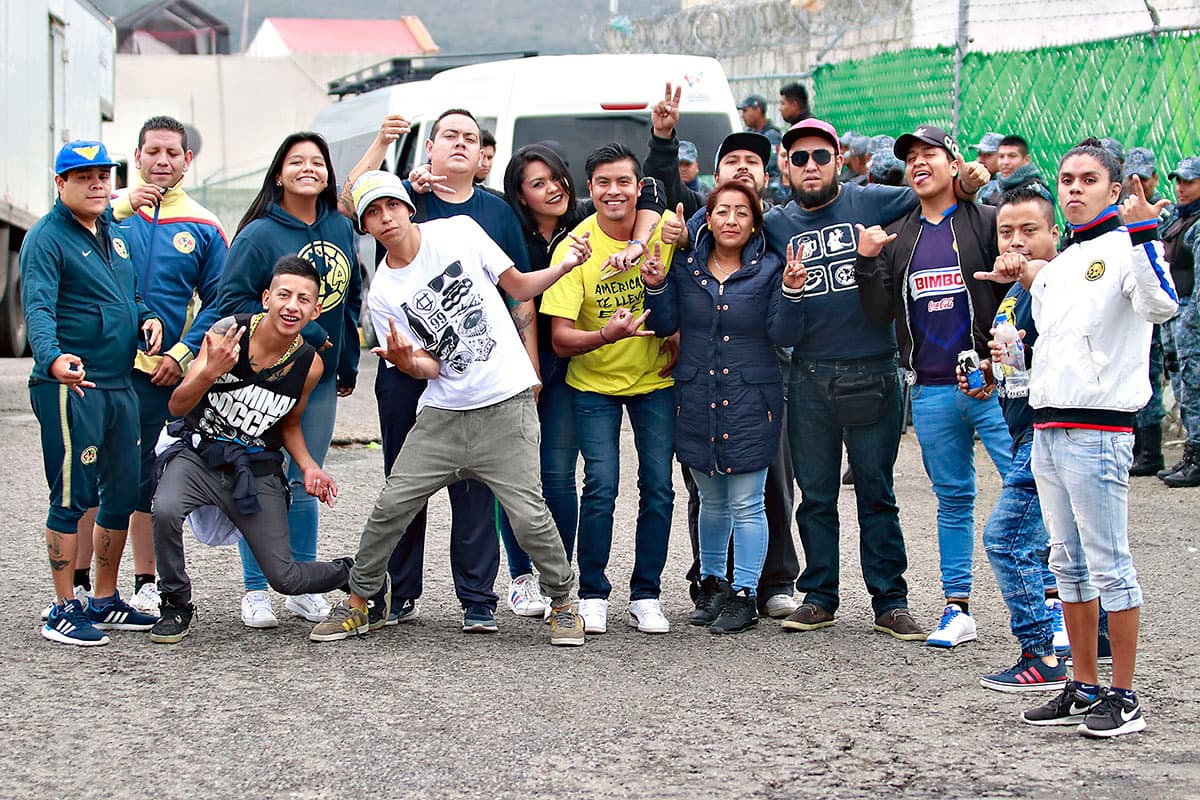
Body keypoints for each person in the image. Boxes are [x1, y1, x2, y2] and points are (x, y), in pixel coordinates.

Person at [309, 170, 589, 646]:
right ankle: (359, 604)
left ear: (407, 207)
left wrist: (562, 268)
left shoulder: (459, 231)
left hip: (506, 401)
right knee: (391, 505)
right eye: (373, 214)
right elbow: (431, 367)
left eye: (391, 206)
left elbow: (519, 287)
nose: (385, 218)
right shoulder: (383, 293)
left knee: (528, 513)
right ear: (367, 228)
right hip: (443, 414)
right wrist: (405, 360)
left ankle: (564, 603)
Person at [766, 118, 989, 641]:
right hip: (808, 373)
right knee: (815, 495)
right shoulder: (774, 222)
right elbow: (718, 217)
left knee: (876, 491)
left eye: (821, 156)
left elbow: (929, 192)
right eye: (799, 158)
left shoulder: (872, 201)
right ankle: (819, 596)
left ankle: (890, 600)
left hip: (873, 368)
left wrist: (966, 182)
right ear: (786, 165)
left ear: (839, 159)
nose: (811, 166)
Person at [991, 139, 1176, 737]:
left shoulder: (1127, 248)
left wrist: (1146, 234)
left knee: (1109, 564)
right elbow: (1041, 348)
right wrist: (1008, 358)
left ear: (1115, 189)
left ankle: (1124, 697)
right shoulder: (1065, 261)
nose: (1074, 188)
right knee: (1065, 563)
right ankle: (1084, 683)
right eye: (1067, 178)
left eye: (1089, 179)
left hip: (1099, 428)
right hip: (1047, 425)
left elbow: (1162, 306)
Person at [341, 111, 550, 632]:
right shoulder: (411, 195)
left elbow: (517, 292)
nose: (460, 144)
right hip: (407, 374)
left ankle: (477, 598)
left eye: (471, 138)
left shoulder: (491, 213)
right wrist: (384, 144)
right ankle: (400, 593)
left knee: (478, 490)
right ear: (428, 147)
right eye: (449, 136)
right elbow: (353, 198)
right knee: (404, 487)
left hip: (485, 376)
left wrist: (531, 364)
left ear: (484, 155)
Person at [644, 85, 802, 618]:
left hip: (759, 385)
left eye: (750, 163)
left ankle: (759, 587)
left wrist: (794, 290)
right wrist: (664, 139)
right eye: (729, 162)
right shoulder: (689, 252)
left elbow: (786, 327)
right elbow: (664, 195)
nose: (730, 216)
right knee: (711, 497)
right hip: (701, 387)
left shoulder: (779, 238)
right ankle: (711, 583)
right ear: (708, 210)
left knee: (760, 495)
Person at [855, 125, 1013, 647]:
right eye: (912, 158)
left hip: (995, 385)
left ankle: (1055, 602)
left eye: (931, 155)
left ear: (955, 163)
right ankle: (957, 606)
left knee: (1031, 489)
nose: (919, 164)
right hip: (932, 390)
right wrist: (867, 263)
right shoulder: (901, 233)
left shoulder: (986, 221)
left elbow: (1021, 288)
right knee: (953, 499)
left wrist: (999, 364)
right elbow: (879, 314)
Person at [496, 144, 666, 617]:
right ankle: (540, 580)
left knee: (624, 483)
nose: (550, 188)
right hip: (542, 368)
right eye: (536, 183)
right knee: (538, 478)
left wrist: (674, 336)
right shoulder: (531, 235)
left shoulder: (623, 224)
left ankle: (605, 586)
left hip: (611, 374)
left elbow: (657, 189)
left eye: (555, 178)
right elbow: (531, 311)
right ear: (520, 193)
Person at [149, 258, 357, 643]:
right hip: (199, 453)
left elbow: (288, 423)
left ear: (315, 310)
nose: (292, 305)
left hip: (254, 467)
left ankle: (351, 572)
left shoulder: (308, 365)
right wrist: (211, 370)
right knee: (164, 510)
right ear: (266, 298)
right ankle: (175, 602)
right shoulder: (229, 332)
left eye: (303, 299)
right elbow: (178, 405)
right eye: (284, 295)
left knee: (286, 578)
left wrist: (309, 466)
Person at [217, 132, 361, 628]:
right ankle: (257, 589)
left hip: (317, 378)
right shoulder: (258, 234)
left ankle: (302, 586)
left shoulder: (342, 226)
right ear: (278, 173)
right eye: (296, 161)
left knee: (305, 479)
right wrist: (312, 329)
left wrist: (347, 361)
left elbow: (351, 296)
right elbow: (230, 303)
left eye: (317, 161)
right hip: (265, 377)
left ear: (327, 174)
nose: (308, 168)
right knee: (259, 478)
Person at [23, 140, 164, 645]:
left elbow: (129, 295)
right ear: (60, 184)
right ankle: (64, 608)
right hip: (72, 387)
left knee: (123, 492)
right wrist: (51, 357)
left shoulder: (115, 233)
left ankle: (104, 601)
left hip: (120, 384)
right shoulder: (46, 238)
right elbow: (37, 306)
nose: (98, 184)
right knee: (70, 495)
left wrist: (146, 318)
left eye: (104, 175)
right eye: (84, 177)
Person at [540, 143, 680, 635]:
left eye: (624, 182)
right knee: (601, 485)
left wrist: (678, 334)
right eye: (603, 183)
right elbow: (559, 340)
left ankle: (646, 594)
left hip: (654, 381)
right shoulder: (575, 248)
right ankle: (593, 592)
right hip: (593, 382)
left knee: (659, 487)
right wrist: (607, 334)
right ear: (590, 190)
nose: (613, 191)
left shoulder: (662, 234)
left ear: (639, 188)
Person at [107, 115, 228, 616]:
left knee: (148, 476)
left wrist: (183, 356)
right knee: (99, 477)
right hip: (104, 370)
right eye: (152, 152)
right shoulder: (106, 214)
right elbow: (60, 233)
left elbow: (220, 302)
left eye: (172, 153)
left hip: (165, 375)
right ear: (136, 158)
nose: (162, 161)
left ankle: (146, 582)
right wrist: (117, 205)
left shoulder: (203, 225)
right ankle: (90, 591)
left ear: (187, 160)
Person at [962, 186, 1069, 691]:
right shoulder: (1013, 293)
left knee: (1004, 538)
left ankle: (1040, 654)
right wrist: (988, 372)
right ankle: (1102, 636)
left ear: (1055, 233)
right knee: (1072, 543)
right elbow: (1018, 362)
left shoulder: (1062, 284)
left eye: (1030, 230)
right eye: (1006, 231)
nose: (1017, 241)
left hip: (1050, 433)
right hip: (1025, 426)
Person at [1123, 147, 1168, 476]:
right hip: (1133, 305)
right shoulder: (1122, 214)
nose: (1137, 182)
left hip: (1159, 313)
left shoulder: (1158, 215)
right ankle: (1140, 447)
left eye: (1144, 176)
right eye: (1131, 176)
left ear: (1155, 178)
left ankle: (1151, 451)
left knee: (1150, 379)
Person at [1157, 156, 1200, 486]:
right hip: (1177, 317)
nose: (1181, 188)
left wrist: (1189, 322)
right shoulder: (1178, 220)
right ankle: (1191, 453)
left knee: (1195, 389)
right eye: (1179, 181)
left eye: (1189, 181)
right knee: (1186, 388)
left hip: (1191, 319)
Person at [737, 94, 785, 203]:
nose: (742, 115)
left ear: (757, 110)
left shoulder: (772, 135)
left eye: (745, 111)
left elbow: (770, 164)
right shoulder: (747, 133)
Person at [980, 135, 1051, 205]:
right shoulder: (995, 187)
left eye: (1012, 156)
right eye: (1001, 156)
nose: (1005, 162)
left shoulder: (1037, 192)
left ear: (1026, 159)